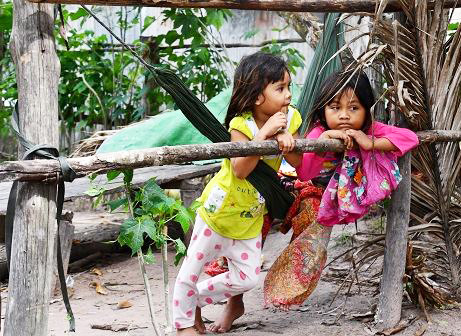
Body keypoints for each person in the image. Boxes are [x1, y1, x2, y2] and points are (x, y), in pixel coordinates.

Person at [264, 69, 419, 308]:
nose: (344, 116)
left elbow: (411, 138)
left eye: (354, 108)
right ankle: (282, 290)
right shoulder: (318, 132)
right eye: (335, 108)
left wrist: (370, 142)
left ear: (367, 110)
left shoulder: (369, 131)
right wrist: (325, 139)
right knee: (308, 246)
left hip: (344, 200)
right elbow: (305, 173)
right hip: (311, 196)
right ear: (323, 109)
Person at [173, 52, 302, 335]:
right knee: (189, 273)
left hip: (250, 218)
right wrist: (264, 135)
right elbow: (241, 169)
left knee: (246, 278)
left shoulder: (290, 118)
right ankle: (184, 326)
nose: (289, 95)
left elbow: (297, 163)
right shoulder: (241, 125)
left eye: (289, 86)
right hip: (217, 214)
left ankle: (194, 298)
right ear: (257, 97)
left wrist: (287, 141)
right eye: (280, 88)